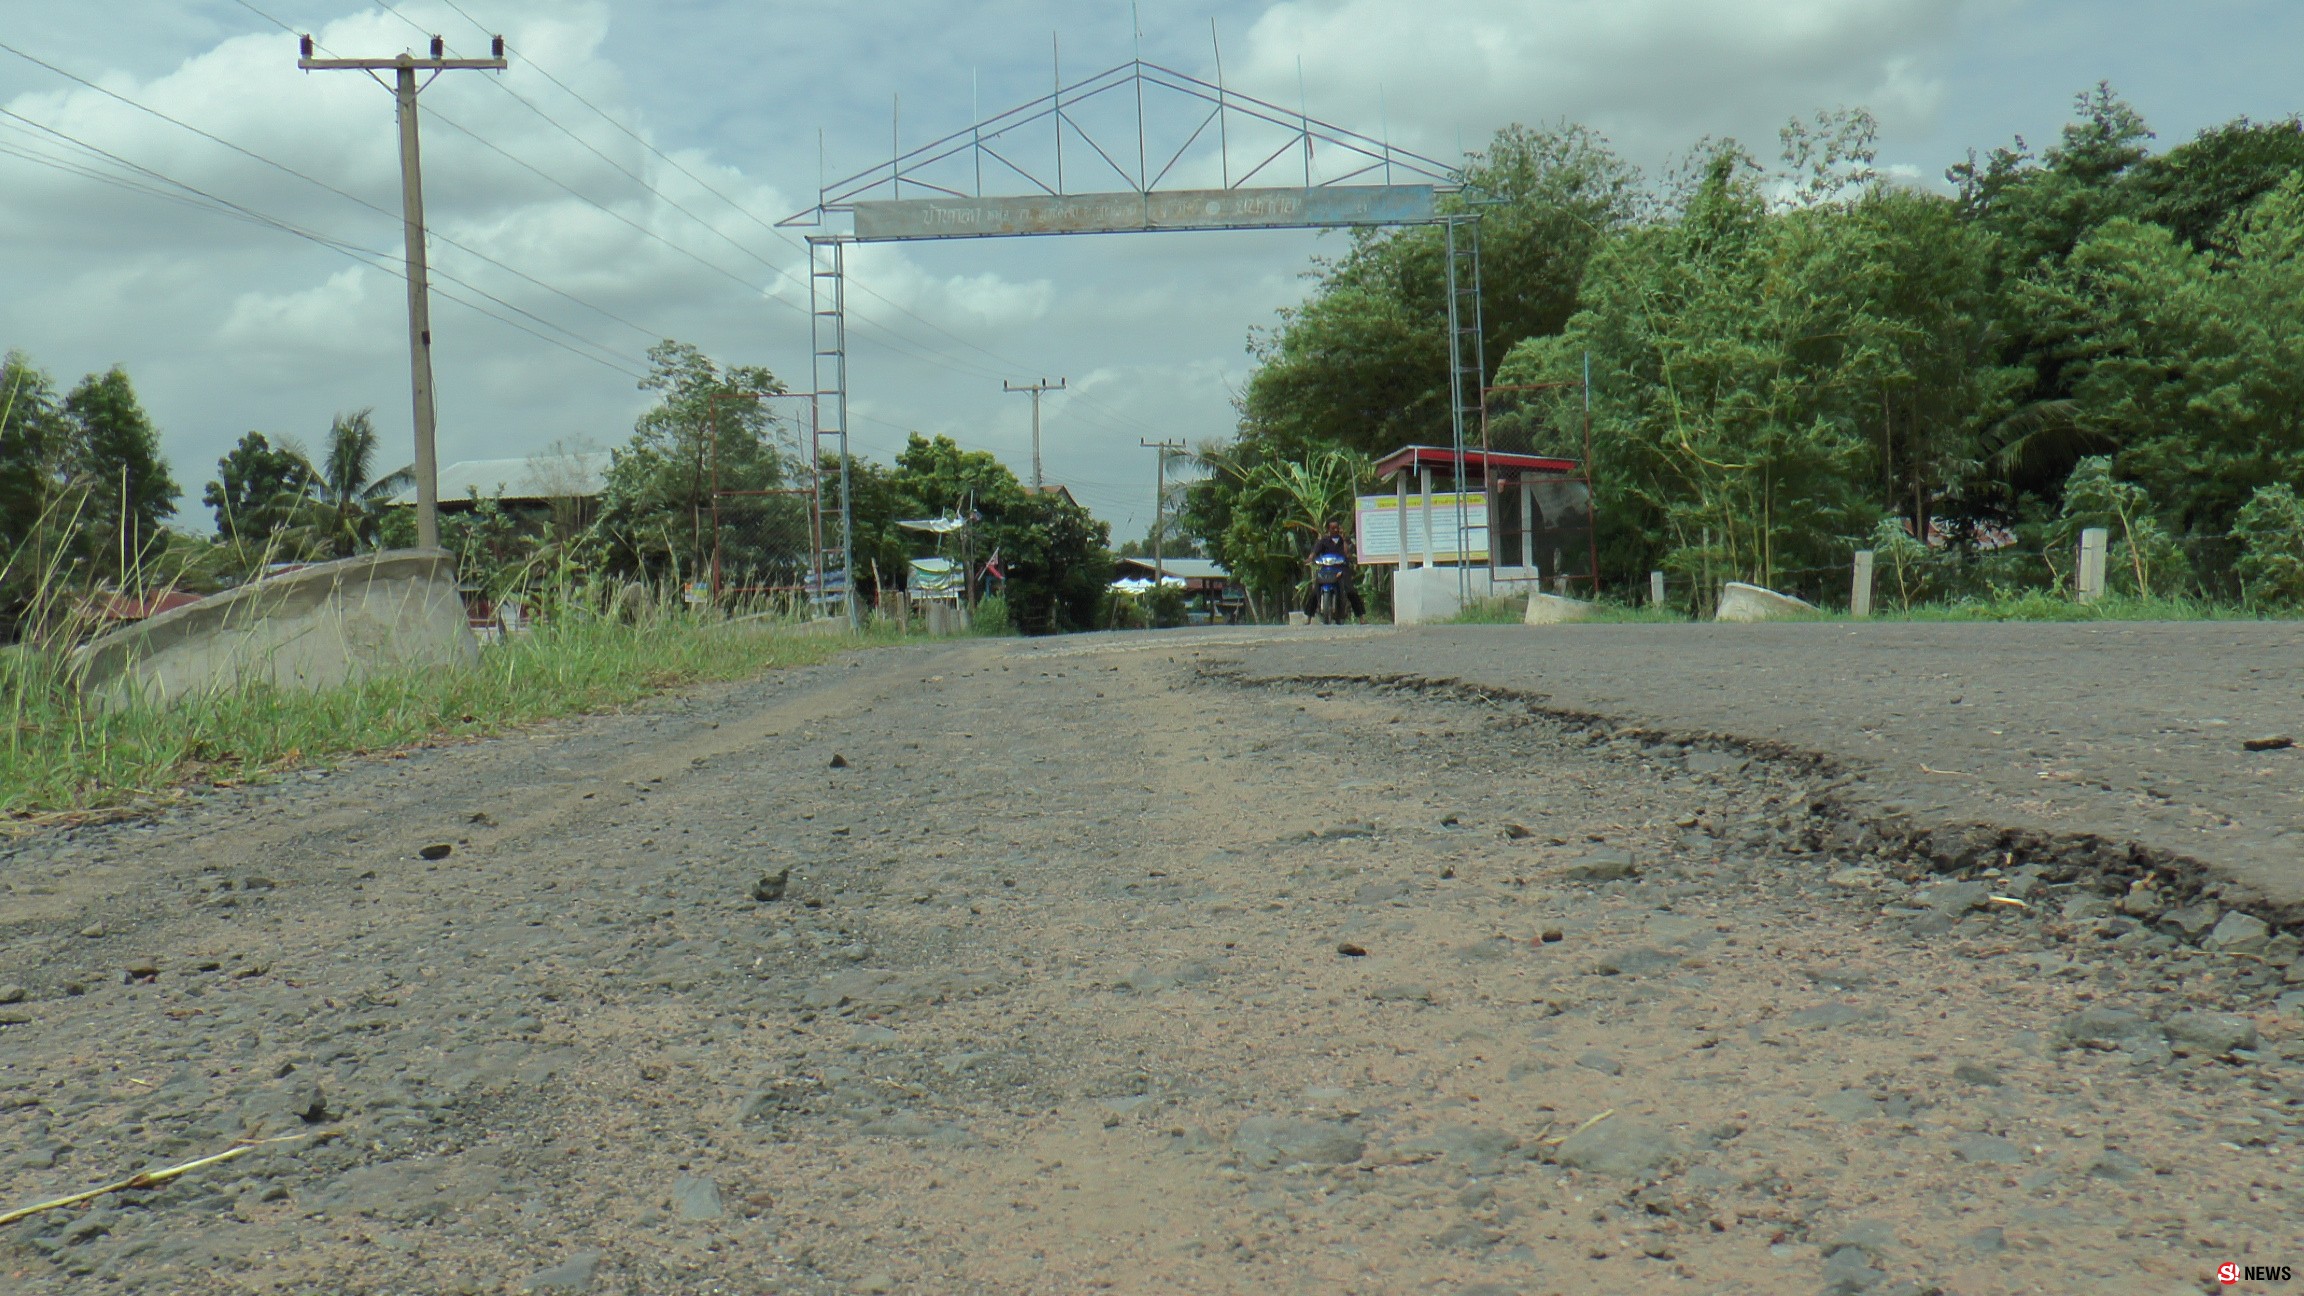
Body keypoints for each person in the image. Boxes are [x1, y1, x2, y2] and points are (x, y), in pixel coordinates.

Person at [1302, 520, 1367, 620]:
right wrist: (1310, 559)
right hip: (1326, 569)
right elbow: (1314, 552)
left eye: (1337, 527)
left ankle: (1361, 618)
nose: (1335, 530)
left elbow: (1347, 554)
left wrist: (1344, 541)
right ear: (1329, 529)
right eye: (1333, 528)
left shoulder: (1343, 541)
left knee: (1350, 590)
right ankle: (1309, 617)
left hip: (1341, 569)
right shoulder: (1323, 541)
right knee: (1315, 591)